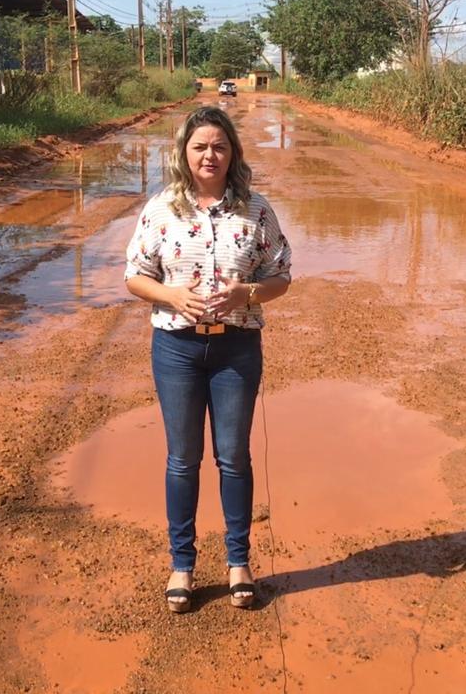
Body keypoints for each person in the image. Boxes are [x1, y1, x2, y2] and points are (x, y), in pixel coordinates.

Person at [123, 106, 293, 613]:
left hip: (236, 351)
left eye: (219, 146)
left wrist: (249, 295)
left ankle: (238, 562)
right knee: (182, 459)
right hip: (176, 350)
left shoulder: (256, 210)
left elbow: (282, 275)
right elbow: (135, 275)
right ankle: (183, 566)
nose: (209, 155)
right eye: (199, 146)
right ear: (184, 153)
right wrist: (173, 298)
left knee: (233, 457)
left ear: (232, 153)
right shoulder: (161, 210)